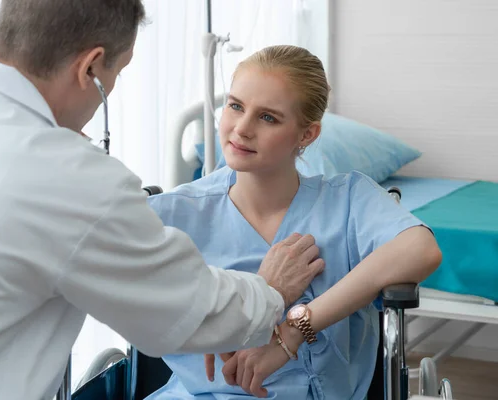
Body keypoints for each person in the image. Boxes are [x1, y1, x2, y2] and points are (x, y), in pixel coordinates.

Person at [0, 2, 325, 400]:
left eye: (267, 116)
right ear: (91, 70)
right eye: (117, 72)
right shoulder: (69, 176)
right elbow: (187, 312)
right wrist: (269, 291)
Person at [145, 45, 443, 400]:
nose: (241, 129)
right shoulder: (174, 213)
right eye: (236, 106)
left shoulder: (348, 200)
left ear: (307, 135)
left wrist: (292, 331)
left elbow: (421, 249)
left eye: (267, 117)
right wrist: (249, 302)